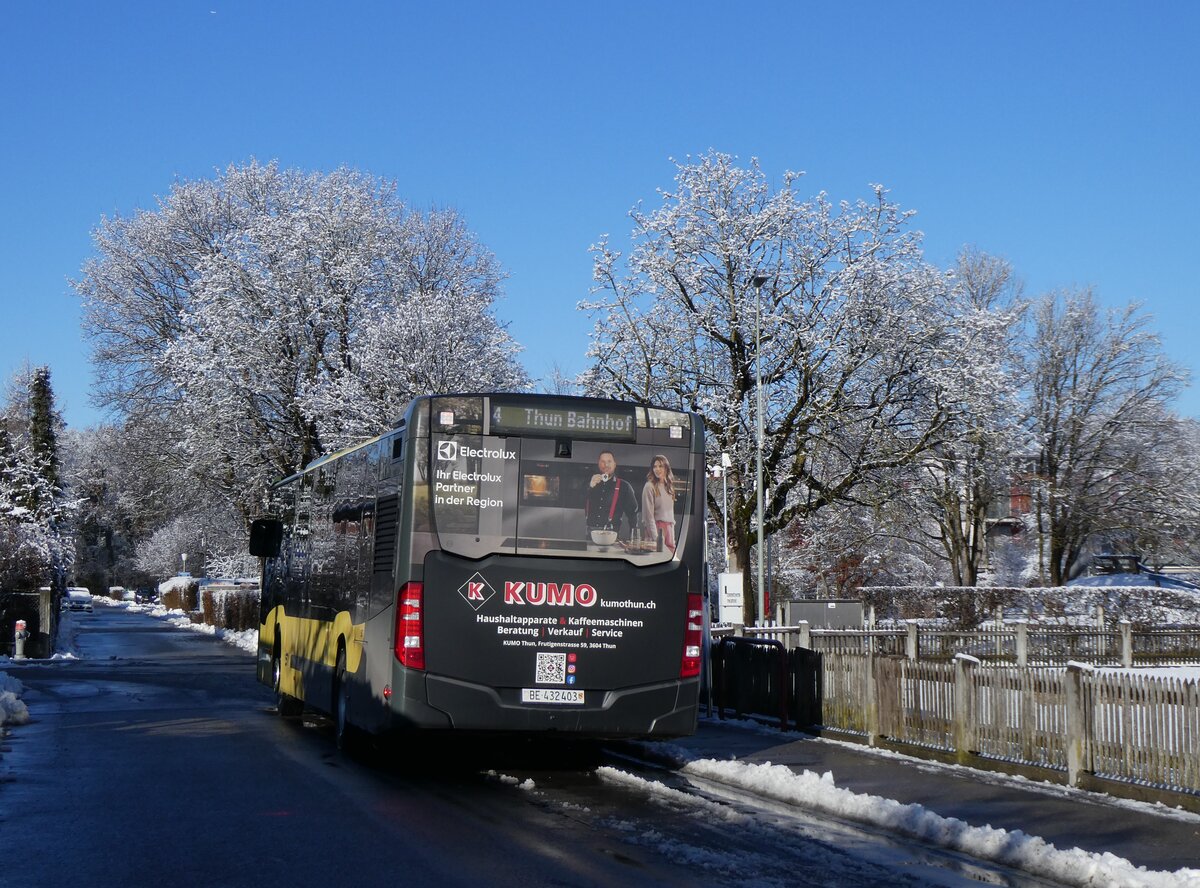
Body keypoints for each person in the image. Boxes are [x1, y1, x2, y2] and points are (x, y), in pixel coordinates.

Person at [584, 450, 639, 539]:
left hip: (612, 537)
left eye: (609, 461)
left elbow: (633, 513)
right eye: (603, 462)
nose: (606, 465)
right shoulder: (589, 484)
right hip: (590, 537)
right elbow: (578, 501)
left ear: (614, 464)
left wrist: (634, 538)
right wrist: (590, 487)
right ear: (598, 464)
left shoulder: (624, 487)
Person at [641, 454, 677, 552]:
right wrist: (656, 538)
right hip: (656, 530)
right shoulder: (649, 487)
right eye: (654, 466)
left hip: (669, 529)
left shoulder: (669, 487)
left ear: (666, 468)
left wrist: (671, 535)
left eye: (660, 466)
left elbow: (670, 516)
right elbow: (648, 517)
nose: (657, 469)